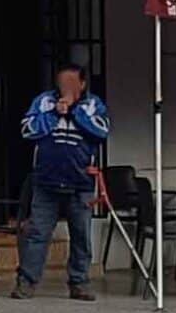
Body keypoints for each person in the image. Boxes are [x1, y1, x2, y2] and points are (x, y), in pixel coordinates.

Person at [12, 63, 109, 300]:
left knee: (81, 236)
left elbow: (102, 131)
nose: (65, 88)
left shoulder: (93, 105)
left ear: (82, 84)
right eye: (62, 83)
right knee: (37, 234)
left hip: (80, 183)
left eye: (71, 83)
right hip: (46, 181)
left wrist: (75, 112)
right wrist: (55, 113)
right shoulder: (44, 101)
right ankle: (26, 281)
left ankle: (79, 282)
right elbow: (27, 130)